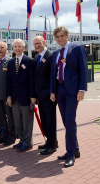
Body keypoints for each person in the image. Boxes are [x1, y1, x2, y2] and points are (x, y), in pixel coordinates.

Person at [50, 26, 88, 168]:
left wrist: (82, 89)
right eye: (57, 37)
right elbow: (53, 73)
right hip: (59, 90)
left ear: (67, 35)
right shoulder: (55, 53)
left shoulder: (77, 49)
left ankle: (70, 154)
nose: (60, 39)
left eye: (62, 36)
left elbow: (84, 69)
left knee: (70, 121)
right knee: (66, 122)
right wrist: (52, 91)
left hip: (72, 91)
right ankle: (75, 149)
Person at [6, 39, 36, 152]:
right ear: (13, 48)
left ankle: (28, 143)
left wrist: (33, 96)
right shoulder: (11, 62)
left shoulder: (29, 61)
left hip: (26, 97)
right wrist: (8, 96)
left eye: (19, 46)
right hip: (14, 98)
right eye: (15, 46)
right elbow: (8, 81)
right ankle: (22, 140)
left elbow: (32, 80)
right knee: (17, 121)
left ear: (24, 48)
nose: (17, 49)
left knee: (27, 121)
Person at [33, 36, 58, 156]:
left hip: (49, 95)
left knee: (50, 120)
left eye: (39, 43)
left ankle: (52, 145)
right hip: (40, 96)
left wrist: (53, 92)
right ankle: (51, 141)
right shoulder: (37, 56)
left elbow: (53, 75)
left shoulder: (51, 55)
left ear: (44, 42)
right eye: (35, 44)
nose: (37, 45)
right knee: (44, 120)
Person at [0, 42, 16, 146]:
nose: (0, 49)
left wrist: (10, 95)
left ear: (6, 49)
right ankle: (3, 135)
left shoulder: (10, 61)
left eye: (2, 47)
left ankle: (12, 136)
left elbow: (12, 80)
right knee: (0, 116)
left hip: (7, 95)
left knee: (10, 117)